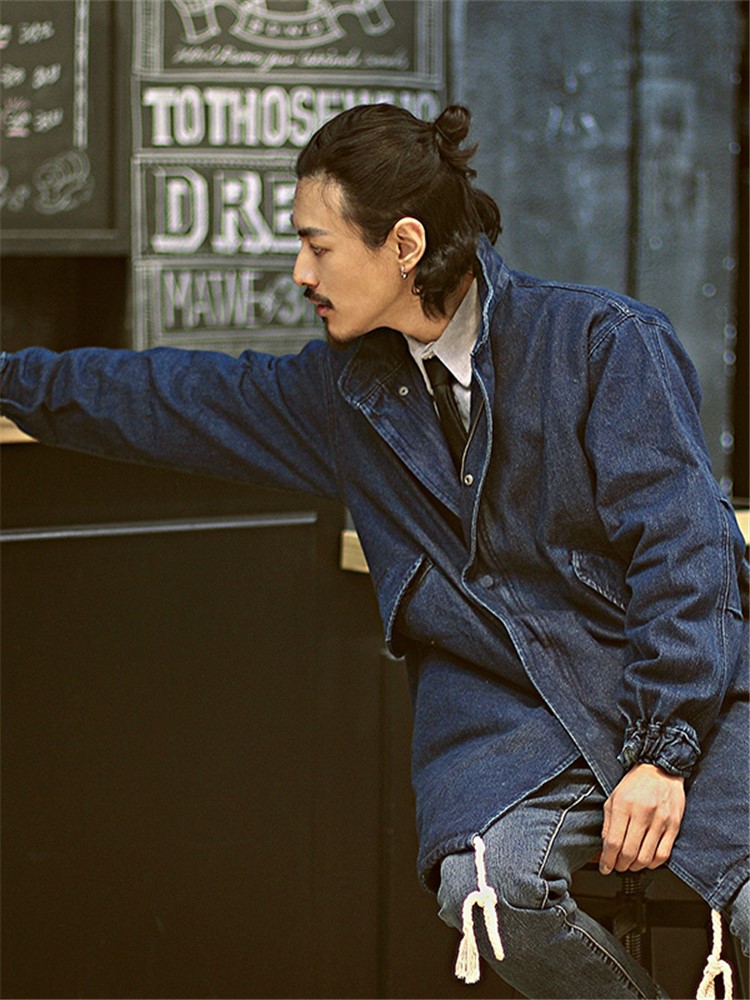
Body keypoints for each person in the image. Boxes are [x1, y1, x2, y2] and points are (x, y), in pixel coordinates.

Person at [1, 103, 748, 999]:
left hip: (670, 695)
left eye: (317, 246)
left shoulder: (602, 344)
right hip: (514, 733)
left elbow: (686, 559)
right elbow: (176, 396)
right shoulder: (346, 396)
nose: (300, 272)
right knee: (493, 896)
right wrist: (10, 381)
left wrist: (663, 752)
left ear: (403, 245)